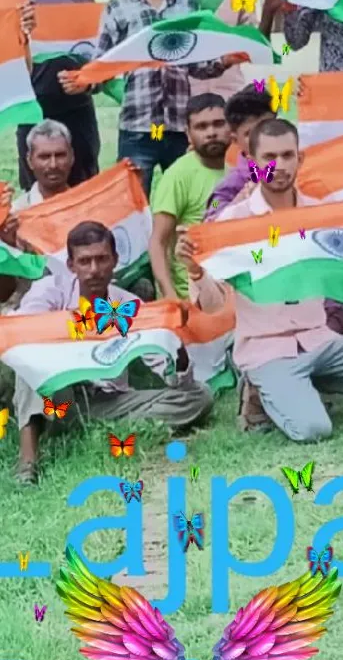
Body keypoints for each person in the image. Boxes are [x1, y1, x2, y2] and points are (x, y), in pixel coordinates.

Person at [11, 220, 213, 484]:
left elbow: (172, 375)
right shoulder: (50, 291)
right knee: (29, 361)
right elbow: (24, 330)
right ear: (71, 265)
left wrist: (176, 342)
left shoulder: (129, 305)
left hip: (109, 400)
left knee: (200, 396)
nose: (94, 270)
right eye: (85, 262)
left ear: (115, 260)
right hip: (62, 392)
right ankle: (28, 462)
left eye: (101, 259)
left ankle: (95, 429)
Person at [174, 230, 343, 442]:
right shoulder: (239, 219)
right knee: (314, 429)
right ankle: (259, 393)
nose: (279, 182)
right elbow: (213, 306)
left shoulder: (313, 209)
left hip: (319, 338)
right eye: (267, 181)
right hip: (267, 350)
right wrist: (195, 270)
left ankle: (301, 389)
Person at [58, 0, 240, 199]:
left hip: (179, 127)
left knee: (188, 197)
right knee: (133, 202)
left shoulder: (188, 6)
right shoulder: (119, 8)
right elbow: (105, 63)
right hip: (138, 126)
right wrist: (84, 81)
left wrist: (224, 61)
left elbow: (197, 65)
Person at [16, 0, 100, 190]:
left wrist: (87, 82)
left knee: (84, 184)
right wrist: (23, 34)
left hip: (79, 109)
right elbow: (13, 69)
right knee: (38, 188)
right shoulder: (19, 5)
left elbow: (97, 57)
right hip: (34, 110)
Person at [149, 93, 231, 299]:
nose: (211, 133)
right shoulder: (178, 175)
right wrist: (170, 296)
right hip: (195, 295)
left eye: (219, 124)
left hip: (239, 292)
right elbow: (158, 241)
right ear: (188, 133)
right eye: (201, 127)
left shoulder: (245, 168)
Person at [0, 119, 74, 309]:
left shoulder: (91, 207)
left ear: (72, 157)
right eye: (44, 157)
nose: (53, 164)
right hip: (31, 308)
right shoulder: (15, 214)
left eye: (60, 155)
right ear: (29, 161)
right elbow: (3, 293)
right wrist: (8, 246)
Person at [204, 84, 277, 221]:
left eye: (268, 127)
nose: (262, 137)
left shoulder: (295, 167)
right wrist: (242, 198)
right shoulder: (230, 185)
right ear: (235, 139)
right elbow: (211, 215)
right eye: (250, 133)